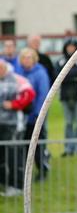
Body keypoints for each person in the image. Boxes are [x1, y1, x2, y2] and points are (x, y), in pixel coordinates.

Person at [0, 59, 35, 196]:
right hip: (1, 123)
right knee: (2, 155)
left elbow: (29, 94)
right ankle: (4, 182)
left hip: (13, 124)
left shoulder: (17, 79)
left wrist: (15, 104)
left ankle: (18, 185)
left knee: (13, 155)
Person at [16, 48, 51, 182]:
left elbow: (43, 95)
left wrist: (37, 114)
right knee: (23, 146)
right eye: (24, 57)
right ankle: (25, 174)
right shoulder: (18, 72)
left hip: (36, 116)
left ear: (34, 58)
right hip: (21, 117)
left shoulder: (40, 73)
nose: (26, 60)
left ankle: (42, 170)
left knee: (37, 146)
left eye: (29, 57)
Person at [55, 38, 77, 157]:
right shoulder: (60, 61)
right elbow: (58, 74)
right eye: (68, 46)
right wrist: (70, 74)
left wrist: (66, 75)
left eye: (73, 46)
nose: (70, 49)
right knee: (68, 123)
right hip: (65, 96)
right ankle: (69, 148)